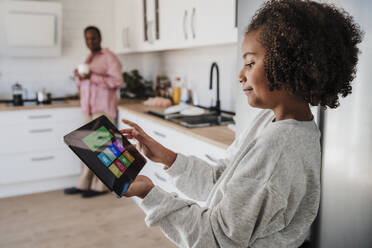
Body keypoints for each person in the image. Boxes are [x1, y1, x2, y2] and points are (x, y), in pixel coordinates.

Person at [120, 0, 363, 247]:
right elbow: (222, 182)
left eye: (250, 63)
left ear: (288, 66)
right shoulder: (272, 122)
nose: (240, 75)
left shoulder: (279, 148)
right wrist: (167, 158)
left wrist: (148, 193)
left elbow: (216, 239)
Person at [64, 26, 124, 198]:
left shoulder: (110, 58)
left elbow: (117, 81)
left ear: (100, 38)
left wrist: (91, 77)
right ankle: (84, 184)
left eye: (94, 38)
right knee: (87, 149)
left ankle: (101, 187)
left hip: (103, 109)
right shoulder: (89, 59)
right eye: (88, 39)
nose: (91, 42)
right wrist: (79, 76)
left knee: (103, 151)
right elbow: (85, 84)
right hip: (89, 109)